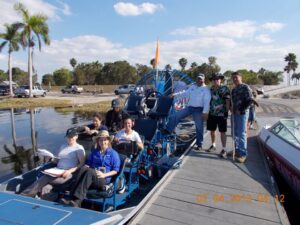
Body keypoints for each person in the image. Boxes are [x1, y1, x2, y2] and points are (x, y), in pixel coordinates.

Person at [60, 130, 121, 207]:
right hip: (92, 176)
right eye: (101, 140)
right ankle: (70, 197)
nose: (103, 142)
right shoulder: (95, 152)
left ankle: (78, 201)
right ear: (98, 141)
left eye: (105, 140)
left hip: (103, 180)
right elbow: (88, 164)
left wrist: (104, 175)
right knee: (83, 169)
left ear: (108, 141)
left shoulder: (113, 154)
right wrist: (85, 167)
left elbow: (116, 170)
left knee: (90, 171)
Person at [21, 128, 85, 200]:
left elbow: (82, 164)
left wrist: (69, 171)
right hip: (57, 171)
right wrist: (51, 159)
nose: (69, 138)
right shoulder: (63, 146)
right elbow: (59, 161)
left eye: (71, 136)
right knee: (46, 187)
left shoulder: (79, 148)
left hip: (68, 174)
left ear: (76, 136)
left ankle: (24, 196)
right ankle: (43, 203)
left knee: (46, 177)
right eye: (68, 137)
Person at [162, 73, 211, 151]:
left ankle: (199, 144)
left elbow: (206, 102)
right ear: (196, 79)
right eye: (198, 78)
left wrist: (205, 112)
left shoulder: (206, 89)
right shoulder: (193, 87)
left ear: (203, 80)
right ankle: (168, 130)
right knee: (176, 116)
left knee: (199, 127)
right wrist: (175, 94)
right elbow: (184, 93)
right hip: (190, 107)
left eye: (201, 79)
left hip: (199, 109)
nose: (199, 80)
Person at [231, 71, 254, 163]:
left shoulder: (245, 87)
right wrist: (232, 108)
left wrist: (241, 110)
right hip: (235, 113)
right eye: (233, 78)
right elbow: (233, 101)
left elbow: (250, 101)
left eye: (236, 77)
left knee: (242, 133)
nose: (235, 79)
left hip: (242, 113)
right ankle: (237, 150)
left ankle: (243, 154)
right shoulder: (234, 89)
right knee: (235, 132)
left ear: (241, 78)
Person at [206, 73, 231, 158]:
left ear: (220, 80)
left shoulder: (224, 88)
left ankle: (224, 149)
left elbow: (227, 101)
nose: (215, 80)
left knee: (222, 132)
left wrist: (226, 112)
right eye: (214, 79)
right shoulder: (210, 89)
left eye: (217, 79)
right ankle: (213, 145)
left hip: (221, 114)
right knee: (212, 130)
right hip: (212, 113)